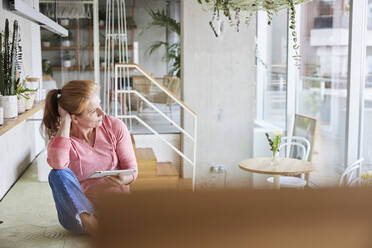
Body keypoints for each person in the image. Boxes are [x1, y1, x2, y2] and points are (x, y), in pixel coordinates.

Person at [42, 80, 138, 235]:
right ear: (75, 118)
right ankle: (92, 223)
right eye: (93, 111)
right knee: (57, 174)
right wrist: (65, 120)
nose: (102, 113)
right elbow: (58, 163)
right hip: (78, 217)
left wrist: (124, 178)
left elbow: (132, 169)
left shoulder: (114, 127)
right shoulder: (64, 140)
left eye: (99, 105)